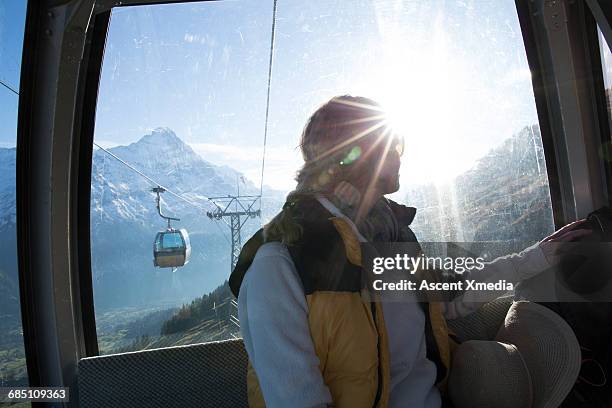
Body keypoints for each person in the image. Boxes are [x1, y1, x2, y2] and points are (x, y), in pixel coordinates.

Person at [228, 95, 590, 408]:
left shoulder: (385, 238)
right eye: (391, 143)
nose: (400, 154)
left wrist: (538, 257)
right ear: (349, 156)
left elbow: (453, 293)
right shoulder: (280, 264)